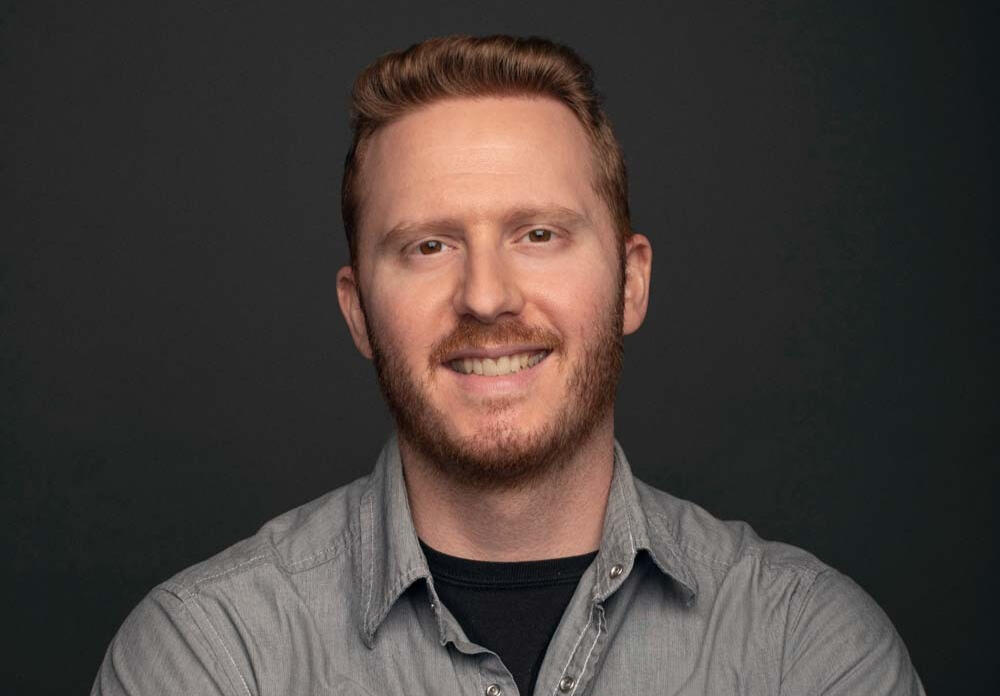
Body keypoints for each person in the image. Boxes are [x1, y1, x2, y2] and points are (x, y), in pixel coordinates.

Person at [91, 35, 925, 696]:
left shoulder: (804, 650)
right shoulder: (211, 656)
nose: (486, 297)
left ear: (631, 283)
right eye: (428, 246)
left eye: (539, 234)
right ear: (358, 312)